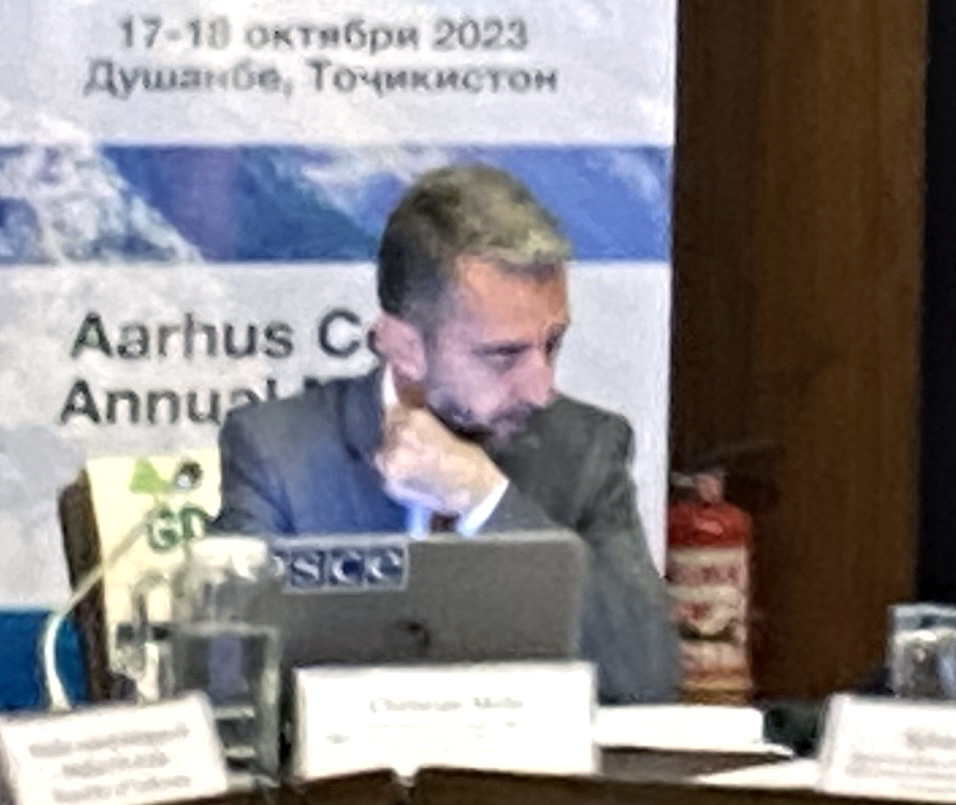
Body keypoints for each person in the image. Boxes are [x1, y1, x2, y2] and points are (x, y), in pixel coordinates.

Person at [214, 162, 679, 704]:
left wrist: (486, 501)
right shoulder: (279, 452)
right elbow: (226, 673)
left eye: (552, 344)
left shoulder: (585, 450)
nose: (541, 388)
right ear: (405, 347)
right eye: (503, 355)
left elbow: (646, 676)